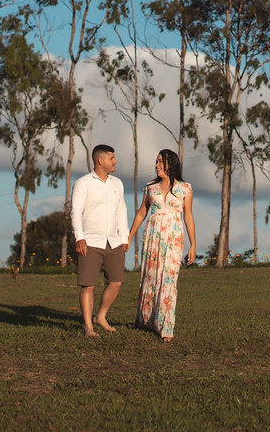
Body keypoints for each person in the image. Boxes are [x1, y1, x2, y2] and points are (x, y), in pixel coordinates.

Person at [127, 148, 196, 342]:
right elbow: (142, 213)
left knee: (168, 279)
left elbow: (188, 217)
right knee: (150, 276)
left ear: (170, 164)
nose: (156, 165)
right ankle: (145, 321)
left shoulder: (185, 188)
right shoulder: (151, 187)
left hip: (173, 239)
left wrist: (193, 245)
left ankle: (165, 327)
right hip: (152, 235)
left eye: (160, 161)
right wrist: (129, 236)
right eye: (156, 161)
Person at [70, 144, 129, 337]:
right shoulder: (83, 183)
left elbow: (121, 210)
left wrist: (124, 237)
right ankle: (88, 327)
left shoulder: (117, 184)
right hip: (91, 241)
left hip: (113, 241)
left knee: (116, 282)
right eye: (112, 158)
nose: (115, 161)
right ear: (100, 161)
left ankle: (100, 316)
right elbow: (76, 211)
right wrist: (80, 237)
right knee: (88, 285)